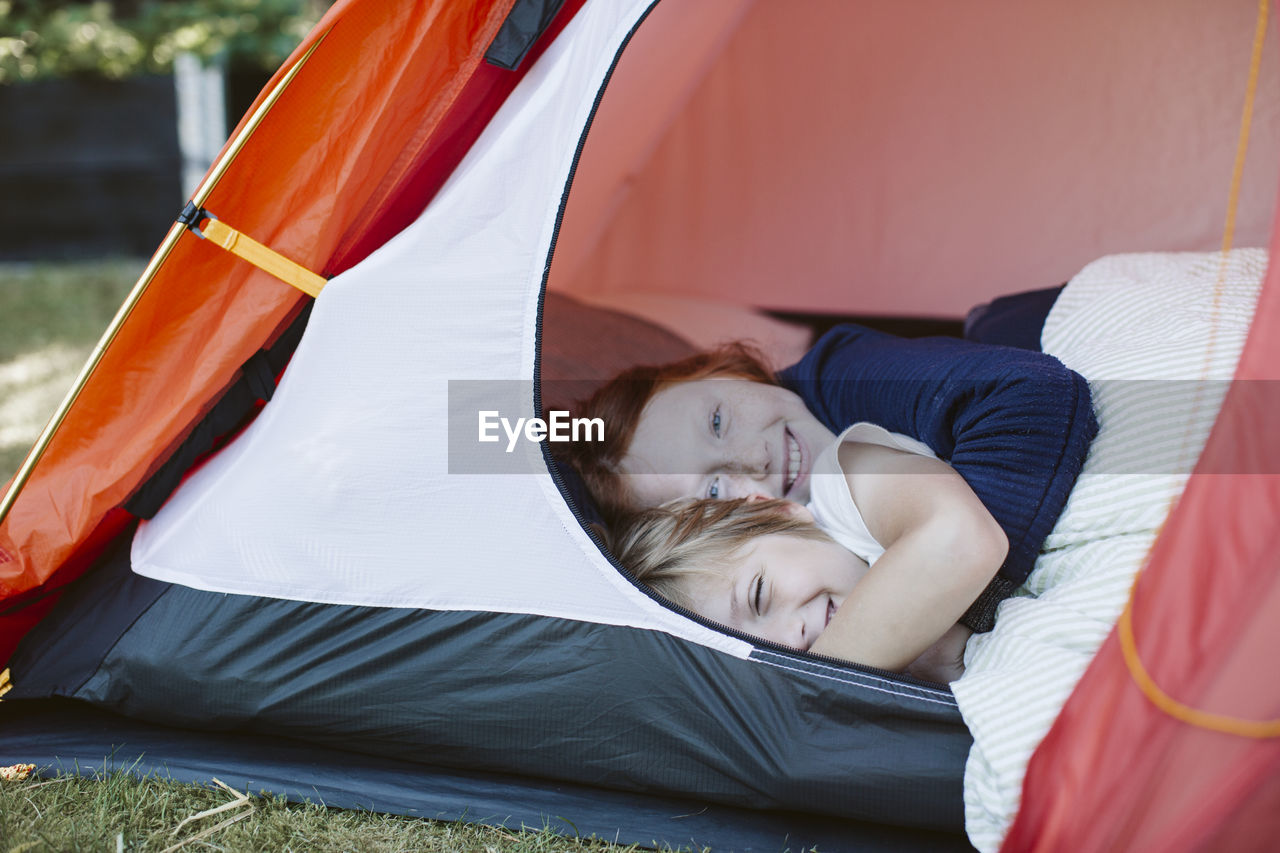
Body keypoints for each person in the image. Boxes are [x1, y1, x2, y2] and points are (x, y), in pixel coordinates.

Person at [561, 326, 1097, 633]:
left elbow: (1031, 397)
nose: (753, 458)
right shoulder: (799, 558)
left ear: (726, 370)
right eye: (715, 490)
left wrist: (960, 608)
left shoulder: (839, 375)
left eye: (719, 421)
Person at [604, 417, 1007, 681]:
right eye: (757, 652)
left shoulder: (843, 485)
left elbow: (957, 539)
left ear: (779, 512)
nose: (788, 644)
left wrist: (808, 684)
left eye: (759, 596)